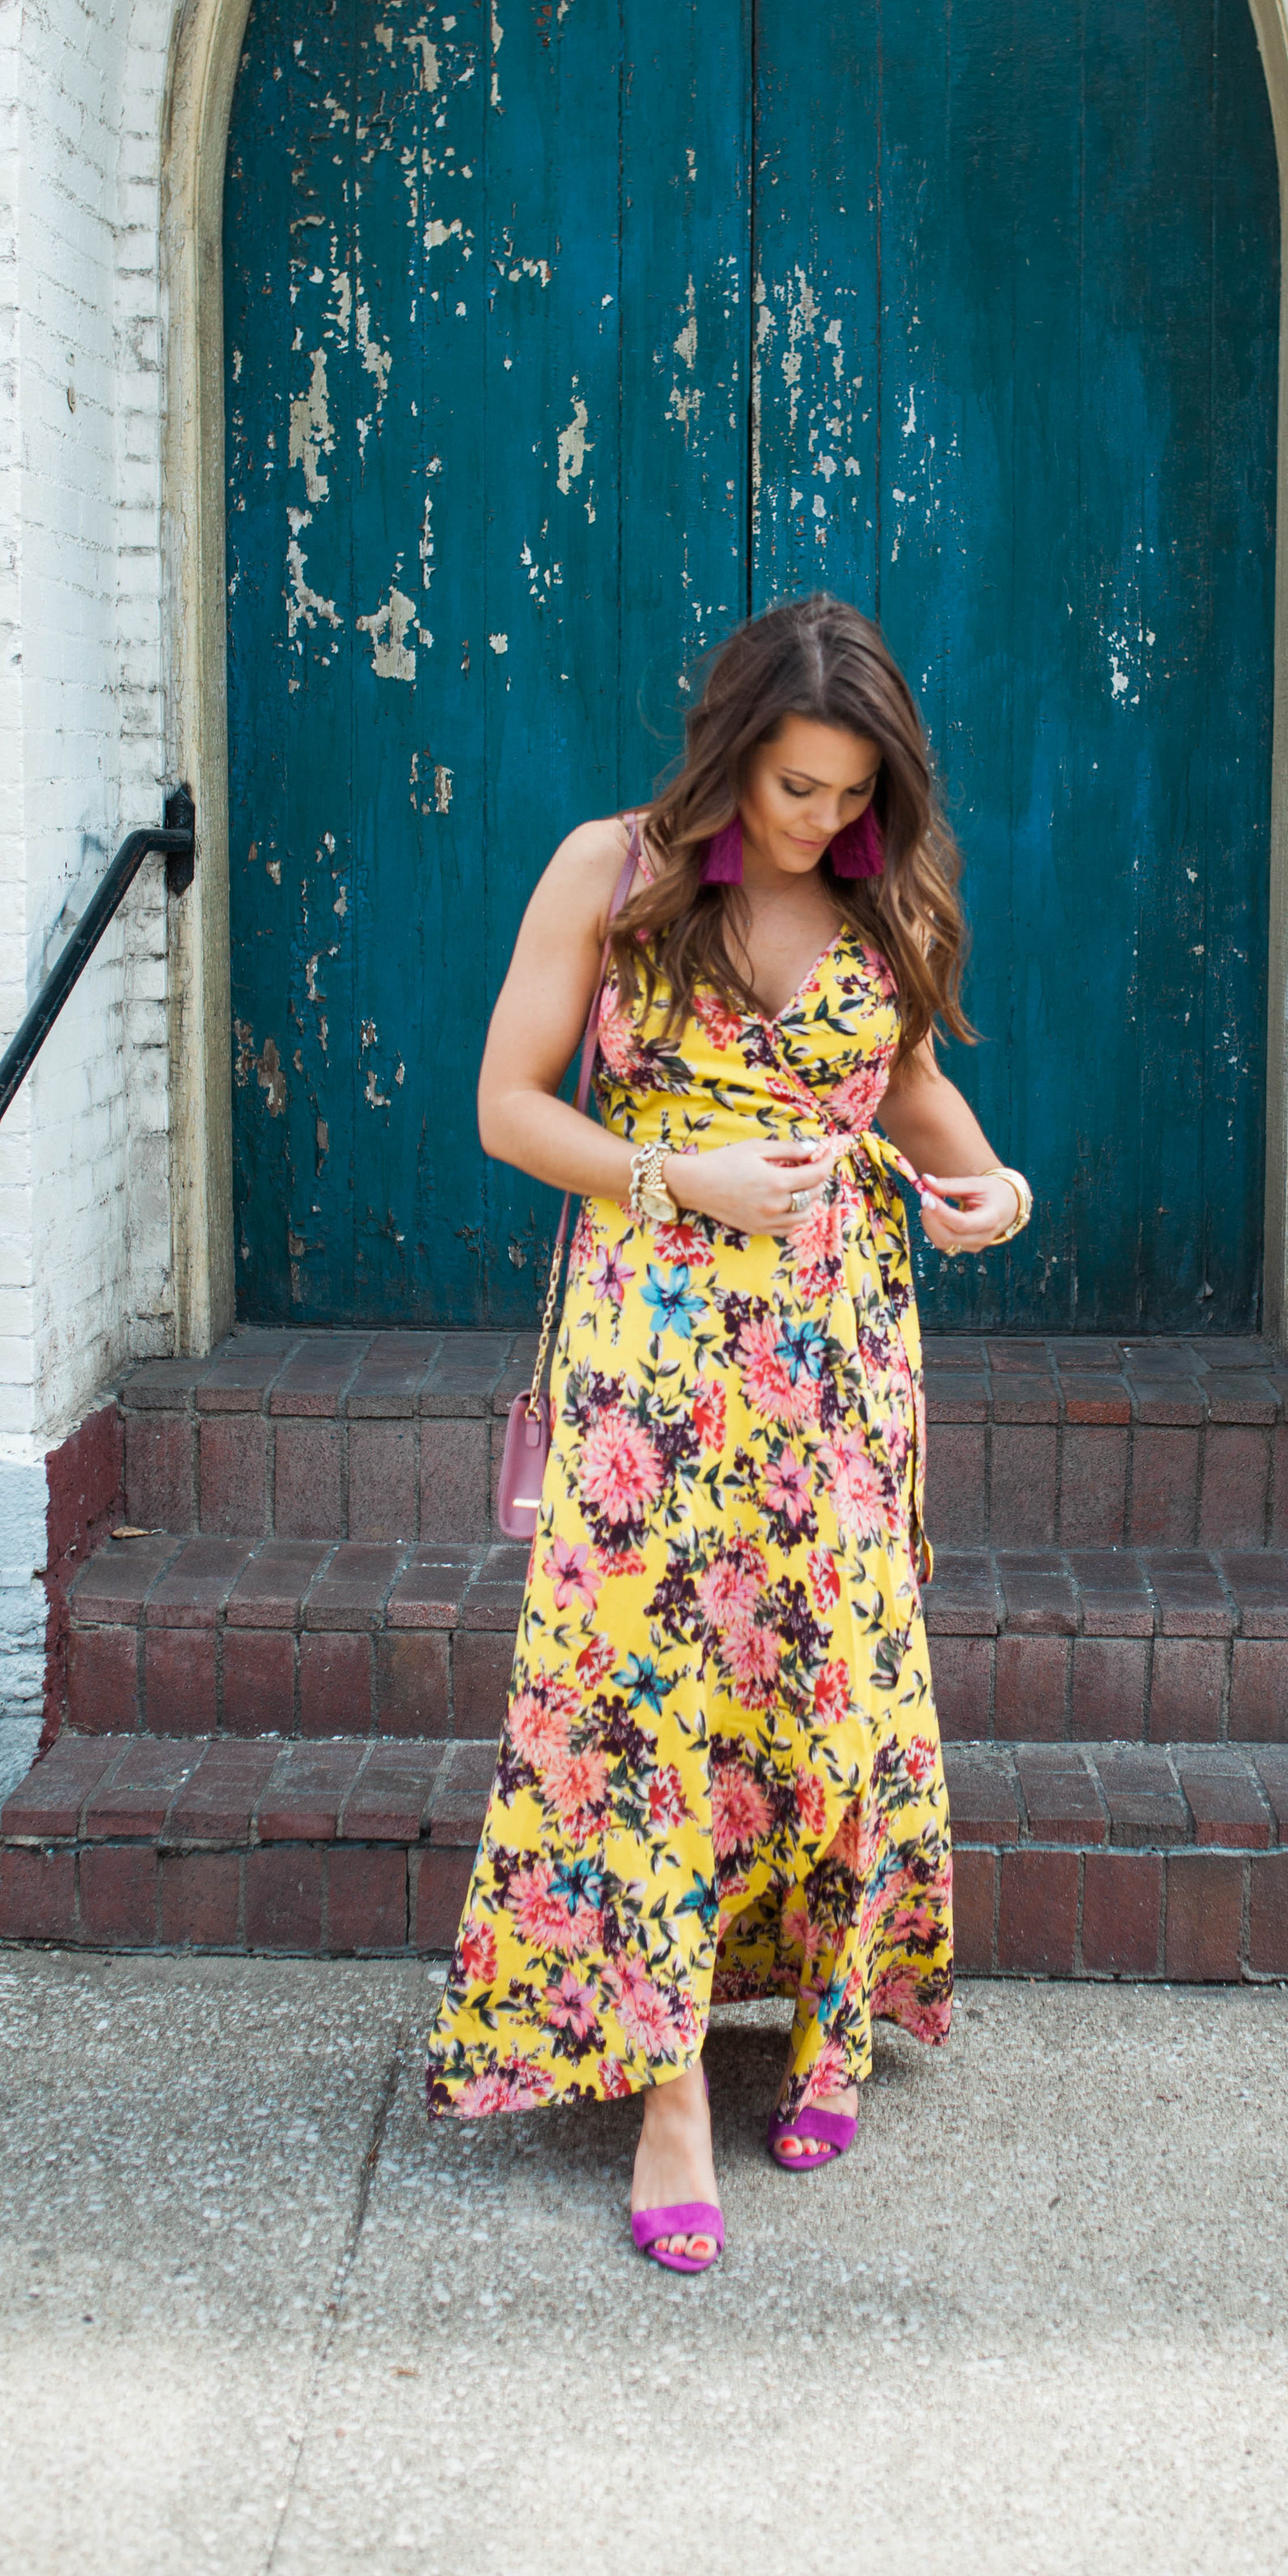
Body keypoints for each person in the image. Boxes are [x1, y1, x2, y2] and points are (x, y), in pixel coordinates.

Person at [424, 594, 1032, 2272]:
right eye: (792, 787)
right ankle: (667, 2084)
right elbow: (505, 1104)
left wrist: (991, 1183)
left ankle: (831, 2018)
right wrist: (674, 1175)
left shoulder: (883, 887)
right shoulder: (608, 871)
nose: (818, 820)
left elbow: (905, 1097)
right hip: (652, 1341)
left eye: (848, 792)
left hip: (838, 1348)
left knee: (828, 1679)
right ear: (727, 752)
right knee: (641, 1698)